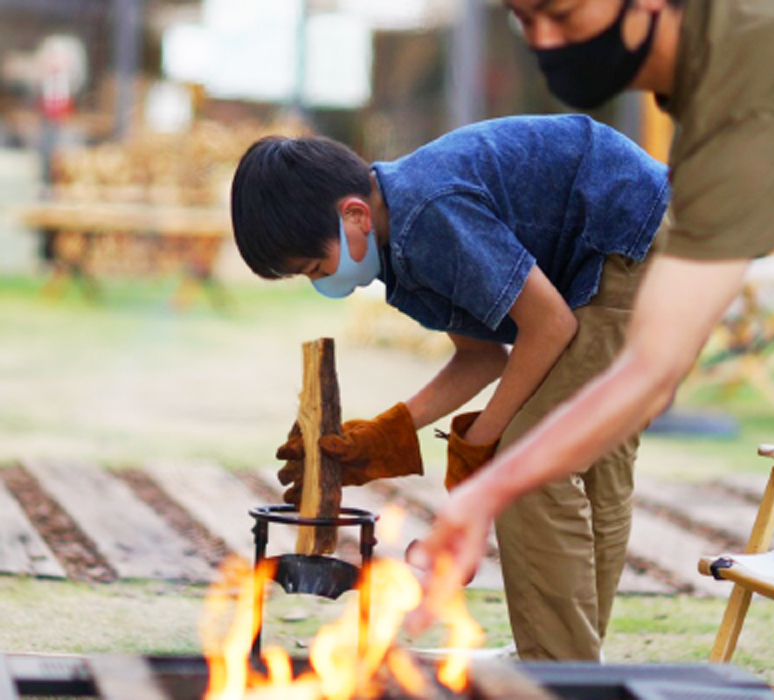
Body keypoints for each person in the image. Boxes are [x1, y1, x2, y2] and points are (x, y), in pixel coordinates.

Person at [412, 0, 774, 697]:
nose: (544, 40)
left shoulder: (743, 92)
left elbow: (652, 365)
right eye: (525, 19)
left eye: (562, 14)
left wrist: (489, 489)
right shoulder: (723, 62)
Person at [230, 114, 670, 661]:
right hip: (617, 243)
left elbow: (550, 326)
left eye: (316, 265)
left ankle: (558, 667)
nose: (321, 281)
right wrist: (384, 433)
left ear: (355, 214)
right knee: (582, 460)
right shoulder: (398, 250)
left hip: (631, 233)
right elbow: (481, 359)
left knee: (531, 462)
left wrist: (481, 449)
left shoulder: (426, 215)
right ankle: (570, 663)